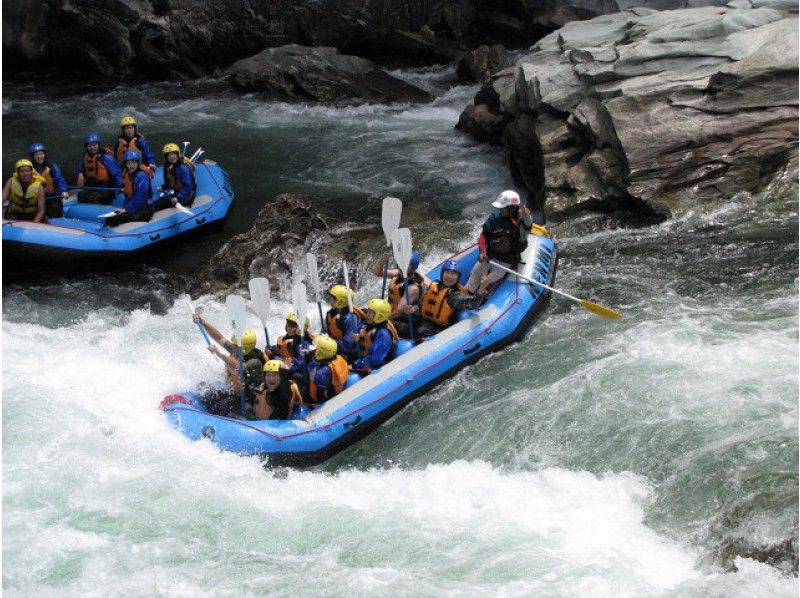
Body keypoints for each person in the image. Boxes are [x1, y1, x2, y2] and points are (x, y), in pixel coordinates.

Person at [465, 189, 533, 293]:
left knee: (487, 280)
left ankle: (479, 297)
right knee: (475, 272)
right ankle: (466, 295)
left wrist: (527, 216)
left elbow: (528, 225)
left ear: (512, 208)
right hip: (491, 255)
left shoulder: (521, 222)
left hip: (506, 261)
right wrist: (482, 251)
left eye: (503, 207)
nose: (500, 209)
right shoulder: (496, 216)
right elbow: (484, 235)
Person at [405, 260, 492, 337]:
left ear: (458, 278)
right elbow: (421, 306)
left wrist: (481, 288)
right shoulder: (434, 285)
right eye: (447, 272)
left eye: (453, 274)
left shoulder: (454, 296)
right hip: (424, 322)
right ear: (442, 274)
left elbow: (473, 304)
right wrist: (413, 309)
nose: (449, 276)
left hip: (438, 330)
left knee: (419, 331)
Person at [372, 249, 428, 322]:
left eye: (407, 263)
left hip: (402, 320)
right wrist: (383, 260)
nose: (403, 264)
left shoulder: (412, 288)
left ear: (413, 268)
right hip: (390, 313)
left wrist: (379, 320)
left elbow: (398, 312)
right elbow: (376, 272)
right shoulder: (399, 273)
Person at [104, 150, 153, 227]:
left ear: (138, 163)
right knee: (110, 219)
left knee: (112, 219)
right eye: (128, 163)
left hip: (143, 209)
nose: (131, 166)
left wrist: (127, 209)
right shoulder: (127, 173)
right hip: (132, 206)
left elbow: (140, 198)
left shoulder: (142, 176)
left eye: (133, 163)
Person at [352, 298, 398, 375]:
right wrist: (359, 336)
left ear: (379, 316)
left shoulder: (383, 334)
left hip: (377, 364)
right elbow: (357, 331)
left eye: (370, 313)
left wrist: (356, 364)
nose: (367, 315)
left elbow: (375, 359)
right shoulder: (369, 324)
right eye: (368, 311)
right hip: (364, 355)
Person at [318, 284, 362, 363]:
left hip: (348, 354)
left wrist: (330, 346)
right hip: (334, 348)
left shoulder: (351, 319)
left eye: (332, 299)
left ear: (340, 301)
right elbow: (324, 332)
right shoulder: (331, 314)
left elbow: (347, 345)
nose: (330, 300)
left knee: (322, 361)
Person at [76, 133, 122, 204]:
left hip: (105, 187)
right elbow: (81, 166)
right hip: (91, 186)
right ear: (86, 147)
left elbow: (117, 174)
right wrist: (80, 172)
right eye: (89, 146)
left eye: (94, 145)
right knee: (81, 196)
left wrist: (119, 189)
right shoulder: (86, 156)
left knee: (97, 198)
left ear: (98, 145)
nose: (92, 148)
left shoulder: (106, 158)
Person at [306, 335, 350, 405]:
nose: (315, 350)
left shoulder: (323, 372)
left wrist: (311, 359)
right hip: (337, 387)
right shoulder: (339, 357)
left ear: (322, 352)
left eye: (317, 348)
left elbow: (312, 377)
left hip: (325, 397)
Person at [28, 142, 69, 217]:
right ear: (33, 156)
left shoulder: (52, 166)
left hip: (52, 197)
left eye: (41, 154)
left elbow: (59, 178)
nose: (40, 157)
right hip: (37, 199)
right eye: (36, 155)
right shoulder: (29, 168)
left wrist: (63, 190)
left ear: (45, 154)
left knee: (54, 212)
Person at [152, 142, 196, 211]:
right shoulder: (168, 166)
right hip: (177, 191)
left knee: (160, 203)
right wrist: (164, 186)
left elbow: (188, 186)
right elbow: (170, 180)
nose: (171, 157)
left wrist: (178, 197)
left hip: (187, 194)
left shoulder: (183, 168)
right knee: (160, 201)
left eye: (173, 154)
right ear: (166, 158)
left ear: (177, 154)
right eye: (169, 156)